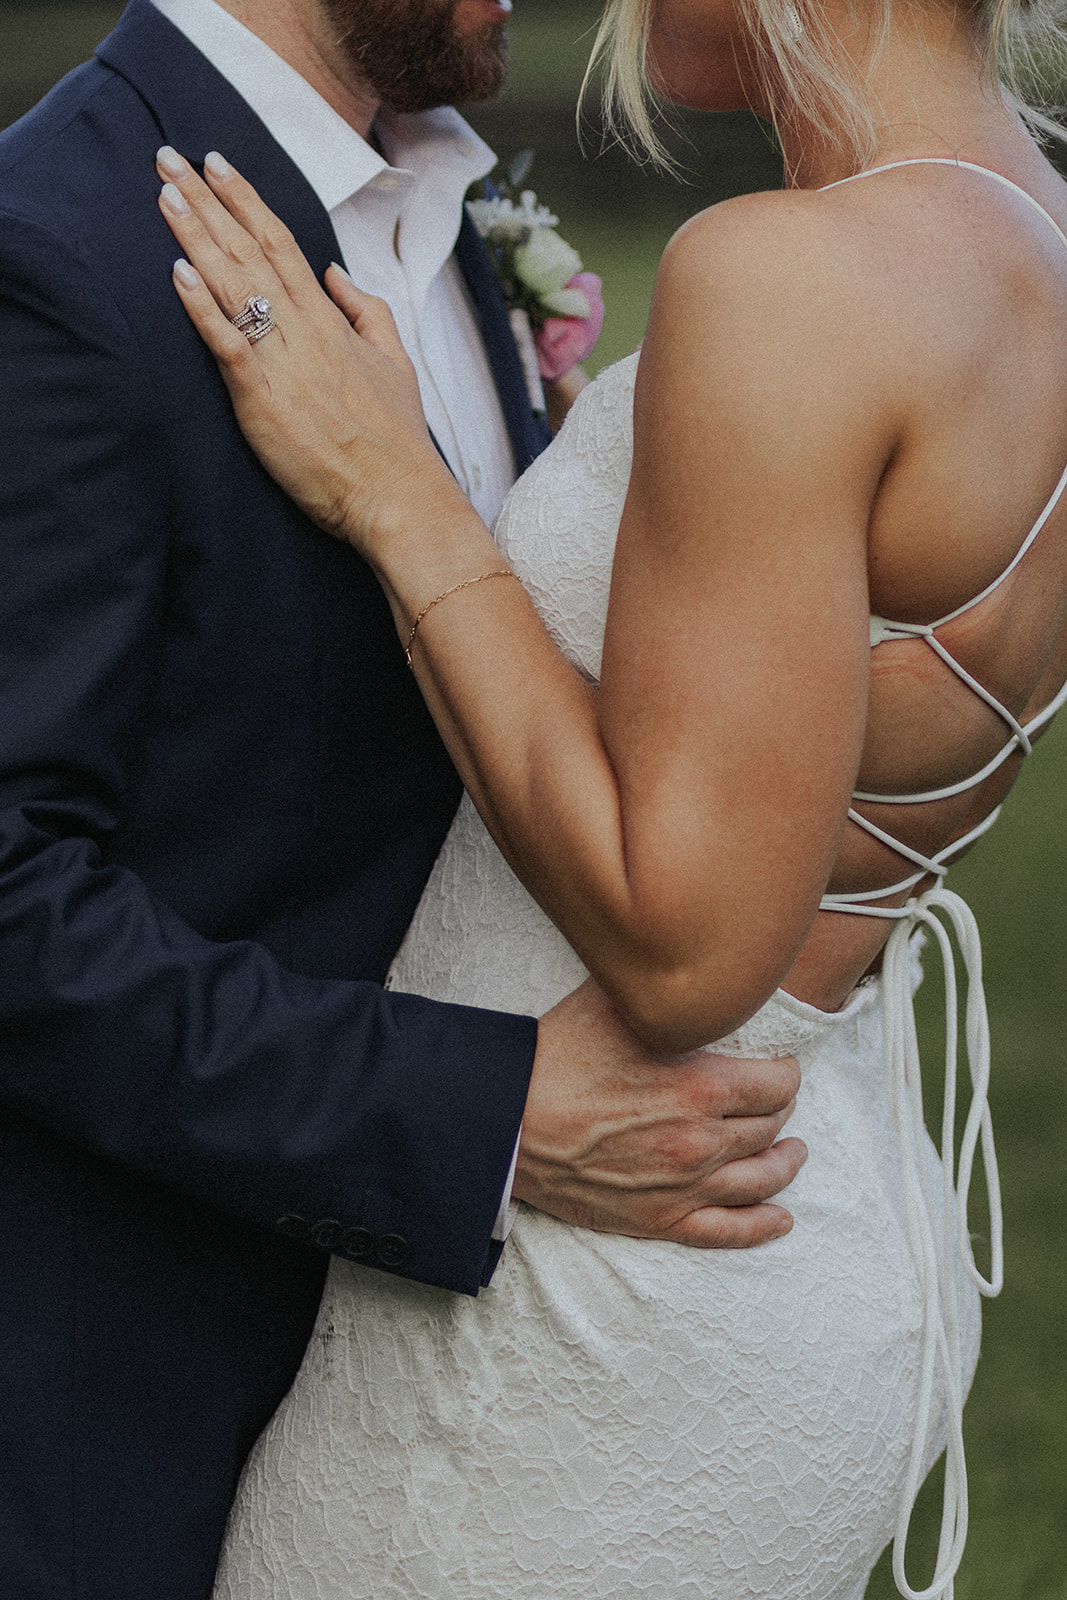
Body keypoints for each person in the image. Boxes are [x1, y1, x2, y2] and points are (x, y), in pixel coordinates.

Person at [154, 0, 1067, 1592]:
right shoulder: (1026, 229)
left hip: (588, 1305)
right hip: (808, 1213)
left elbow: (683, 944)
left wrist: (393, 491)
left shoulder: (795, 278)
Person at [0, 1, 810, 1597]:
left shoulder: (453, 219)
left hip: (435, 1397)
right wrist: (482, 1113)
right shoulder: (57, 257)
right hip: (121, 1404)